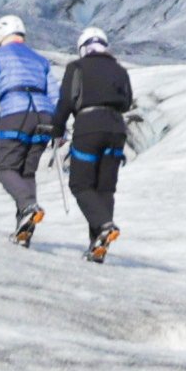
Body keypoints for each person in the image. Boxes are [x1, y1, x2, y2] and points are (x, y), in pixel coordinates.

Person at [0, 16, 58, 244]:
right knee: (27, 172)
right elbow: (56, 95)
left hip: (15, 113)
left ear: (0, 35)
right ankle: (24, 231)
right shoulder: (41, 60)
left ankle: (28, 207)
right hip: (44, 117)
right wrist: (60, 128)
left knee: (5, 168)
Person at [54, 27, 141, 261]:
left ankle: (104, 226)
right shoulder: (120, 70)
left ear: (83, 48)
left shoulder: (77, 68)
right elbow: (126, 102)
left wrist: (57, 129)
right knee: (105, 188)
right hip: (116, 129)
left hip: (89, 126)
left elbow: (66, 101)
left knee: (81, 184)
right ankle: (98, 247)